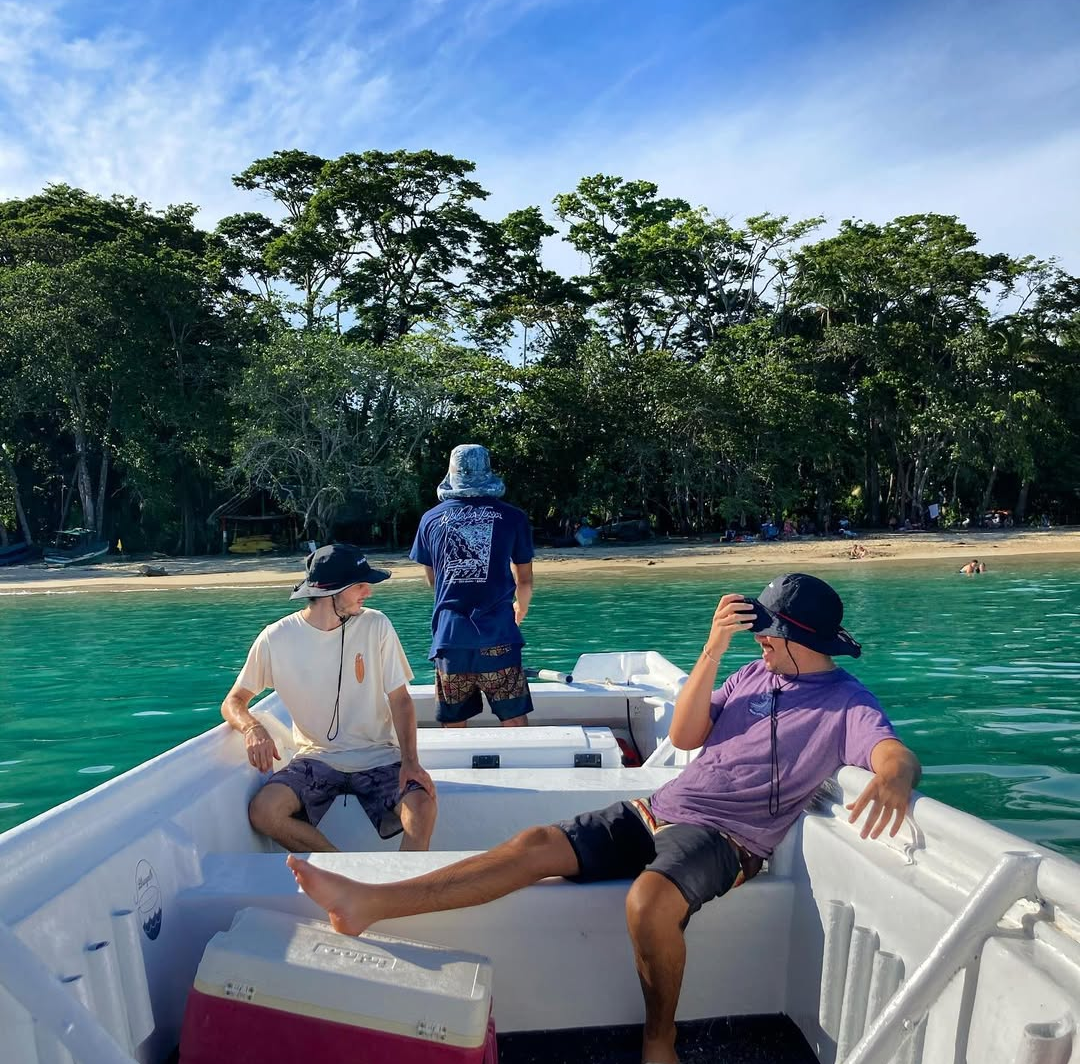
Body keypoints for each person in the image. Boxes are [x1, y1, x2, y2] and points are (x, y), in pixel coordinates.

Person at [287, 573, 920, 1064]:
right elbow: (686, 733)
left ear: (799, 638)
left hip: (729, 839)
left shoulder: (845, 702)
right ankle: (372, 903)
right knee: (535, 844)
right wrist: (713, 649)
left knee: (648, 903)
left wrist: (891, 776)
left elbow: (891, 752)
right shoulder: (754, 672)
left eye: (766, 631)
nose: (758, 638)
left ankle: (659, 1041)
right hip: (660, 810)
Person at [221, 543, 437, 853]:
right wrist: (252, 728)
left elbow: (400, 699)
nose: (368, 592)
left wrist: (411, 763)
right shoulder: (276, 637)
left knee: (422, 807)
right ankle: (339, 871)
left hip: (380, 755)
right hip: (315, 758)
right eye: (360, 585)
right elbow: (234, 702)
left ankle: (405, 892)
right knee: (263, 812)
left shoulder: (376, 625)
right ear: (331, 591)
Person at [410, 444, 535, 728]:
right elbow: (524, 580)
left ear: (452, 472)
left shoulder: (430, 519)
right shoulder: (513, 517)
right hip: (499, 637)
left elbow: (434, 579)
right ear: (488, 470)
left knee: (454, 725)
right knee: (514, 720)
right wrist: (520, 608)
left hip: (450, 639)